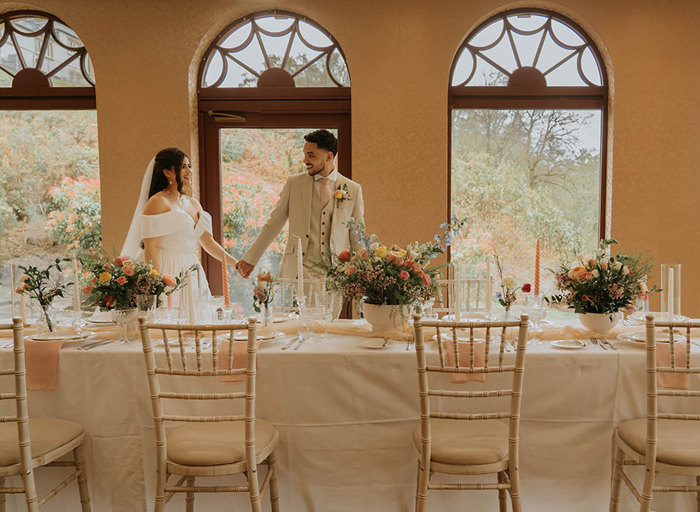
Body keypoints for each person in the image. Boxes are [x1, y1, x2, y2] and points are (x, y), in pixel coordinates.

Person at [235, 129, 364, 283]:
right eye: (305, 154)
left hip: (336, 274)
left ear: (329, 156)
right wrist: (251, 258)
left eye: (311, 155)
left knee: (332, 309)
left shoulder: (353, 189)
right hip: (300, 270)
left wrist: (364, 272)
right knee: (301, 308)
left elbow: (357, 235)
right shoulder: (294, 184)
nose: (305, 160)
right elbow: (274, 222)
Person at [121, 148, 237, 309]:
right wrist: (157, 284)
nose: (189, 171)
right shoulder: (158, 202)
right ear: (167, 172)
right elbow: (151, 248)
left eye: (189, 166)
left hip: (191, 268)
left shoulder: (193, 203)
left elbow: (208, 243)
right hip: (166, 266)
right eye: (183, 166)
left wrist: (235, 263)